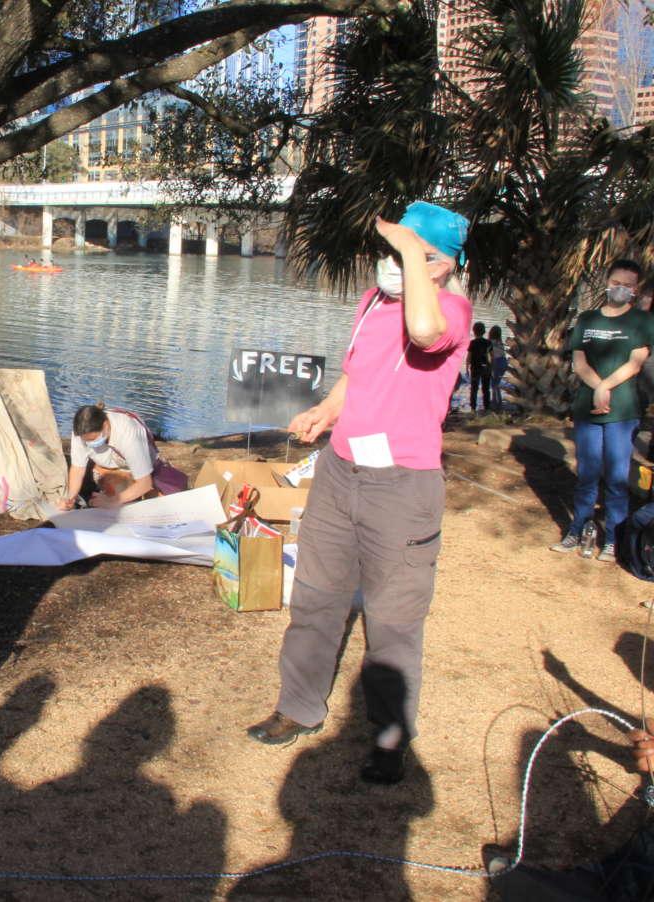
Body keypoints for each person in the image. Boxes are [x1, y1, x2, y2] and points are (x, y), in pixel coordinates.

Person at [246, 201, 472, 786]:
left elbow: (424, 335)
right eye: (391, 253)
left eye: (412, 255)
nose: (392, 264)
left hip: (402, 486)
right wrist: (327, 410)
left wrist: (411, 254)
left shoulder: (451, 308)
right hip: (340, 471)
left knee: (394, 619)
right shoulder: (374, 303)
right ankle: (297, 707)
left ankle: (391, 737)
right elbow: (358, 373)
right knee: (316, 596)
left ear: (442, 265)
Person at [549, 259, 653, 564]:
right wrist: (597, 387)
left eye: (629, 285)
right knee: (587, 475)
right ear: (608, 282)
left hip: (622, 412)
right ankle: (576, 530)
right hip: (588, 410)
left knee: (618, 478)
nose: (622, 289)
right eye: (617, 282)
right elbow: (579, 362)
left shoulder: (641, 322)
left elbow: (635, 363)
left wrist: (606, 387)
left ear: (635, 291)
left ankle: (613, 539)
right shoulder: (587, 319)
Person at [56, 404, 187, 509]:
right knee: (111, 508)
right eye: (86, 441)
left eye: (93, 439)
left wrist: (112, 501)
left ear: (105, 426)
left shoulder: (128, 433)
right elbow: (78, 468)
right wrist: (70, 498)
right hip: (110, 468)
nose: (89, 443)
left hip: (143, 471)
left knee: (163, 509)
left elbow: (145, 483)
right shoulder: (80, 431)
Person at [467, 321, 493, 411]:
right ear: (484, 331)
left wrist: (466, 368)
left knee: (474, 388)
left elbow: (469, 357)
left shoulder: (472, 343)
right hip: (485, 367)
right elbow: (490, 357)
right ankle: (487, 406)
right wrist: (491, 368)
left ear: (474, 332)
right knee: (486, 388)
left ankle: (473, 407)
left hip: (475, 367)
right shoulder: (488, 343)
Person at [489, 324, 508, 409]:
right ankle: (499, 401)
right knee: (497, 383)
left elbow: (491, 356)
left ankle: (494, 401)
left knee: (493, 384)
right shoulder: (500, 343)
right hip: (504, 362)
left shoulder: (490, 343)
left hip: (496, 362)